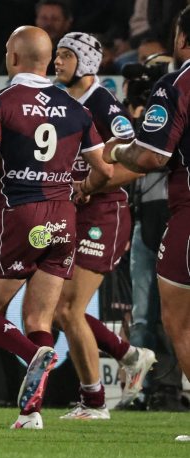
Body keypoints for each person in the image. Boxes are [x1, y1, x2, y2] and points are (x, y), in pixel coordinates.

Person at [0, 26, 113, 430]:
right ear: (47, 61)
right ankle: (31, 413)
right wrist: (82, 188)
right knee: (39, 320)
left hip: (21, 217)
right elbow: (104, 170)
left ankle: (32, 355)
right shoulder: (76, 108)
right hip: (64, 221)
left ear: (12, 57)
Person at [51, 32, 157, 419]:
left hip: (104, 213)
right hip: (71, 211)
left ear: (87, 63)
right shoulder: (60, 100)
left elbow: (135, 165)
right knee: (58, 309)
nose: (57, 62)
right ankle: (129, 356)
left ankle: (95, 402)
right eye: (57, 54)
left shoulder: (104, 105)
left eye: (66, 55)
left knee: (67, 308)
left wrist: (90, 186)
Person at [106, 5, 190, 440]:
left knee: (178, 321)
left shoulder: (176, 84)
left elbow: (151, 156)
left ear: (181, 38)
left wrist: (117, 150)